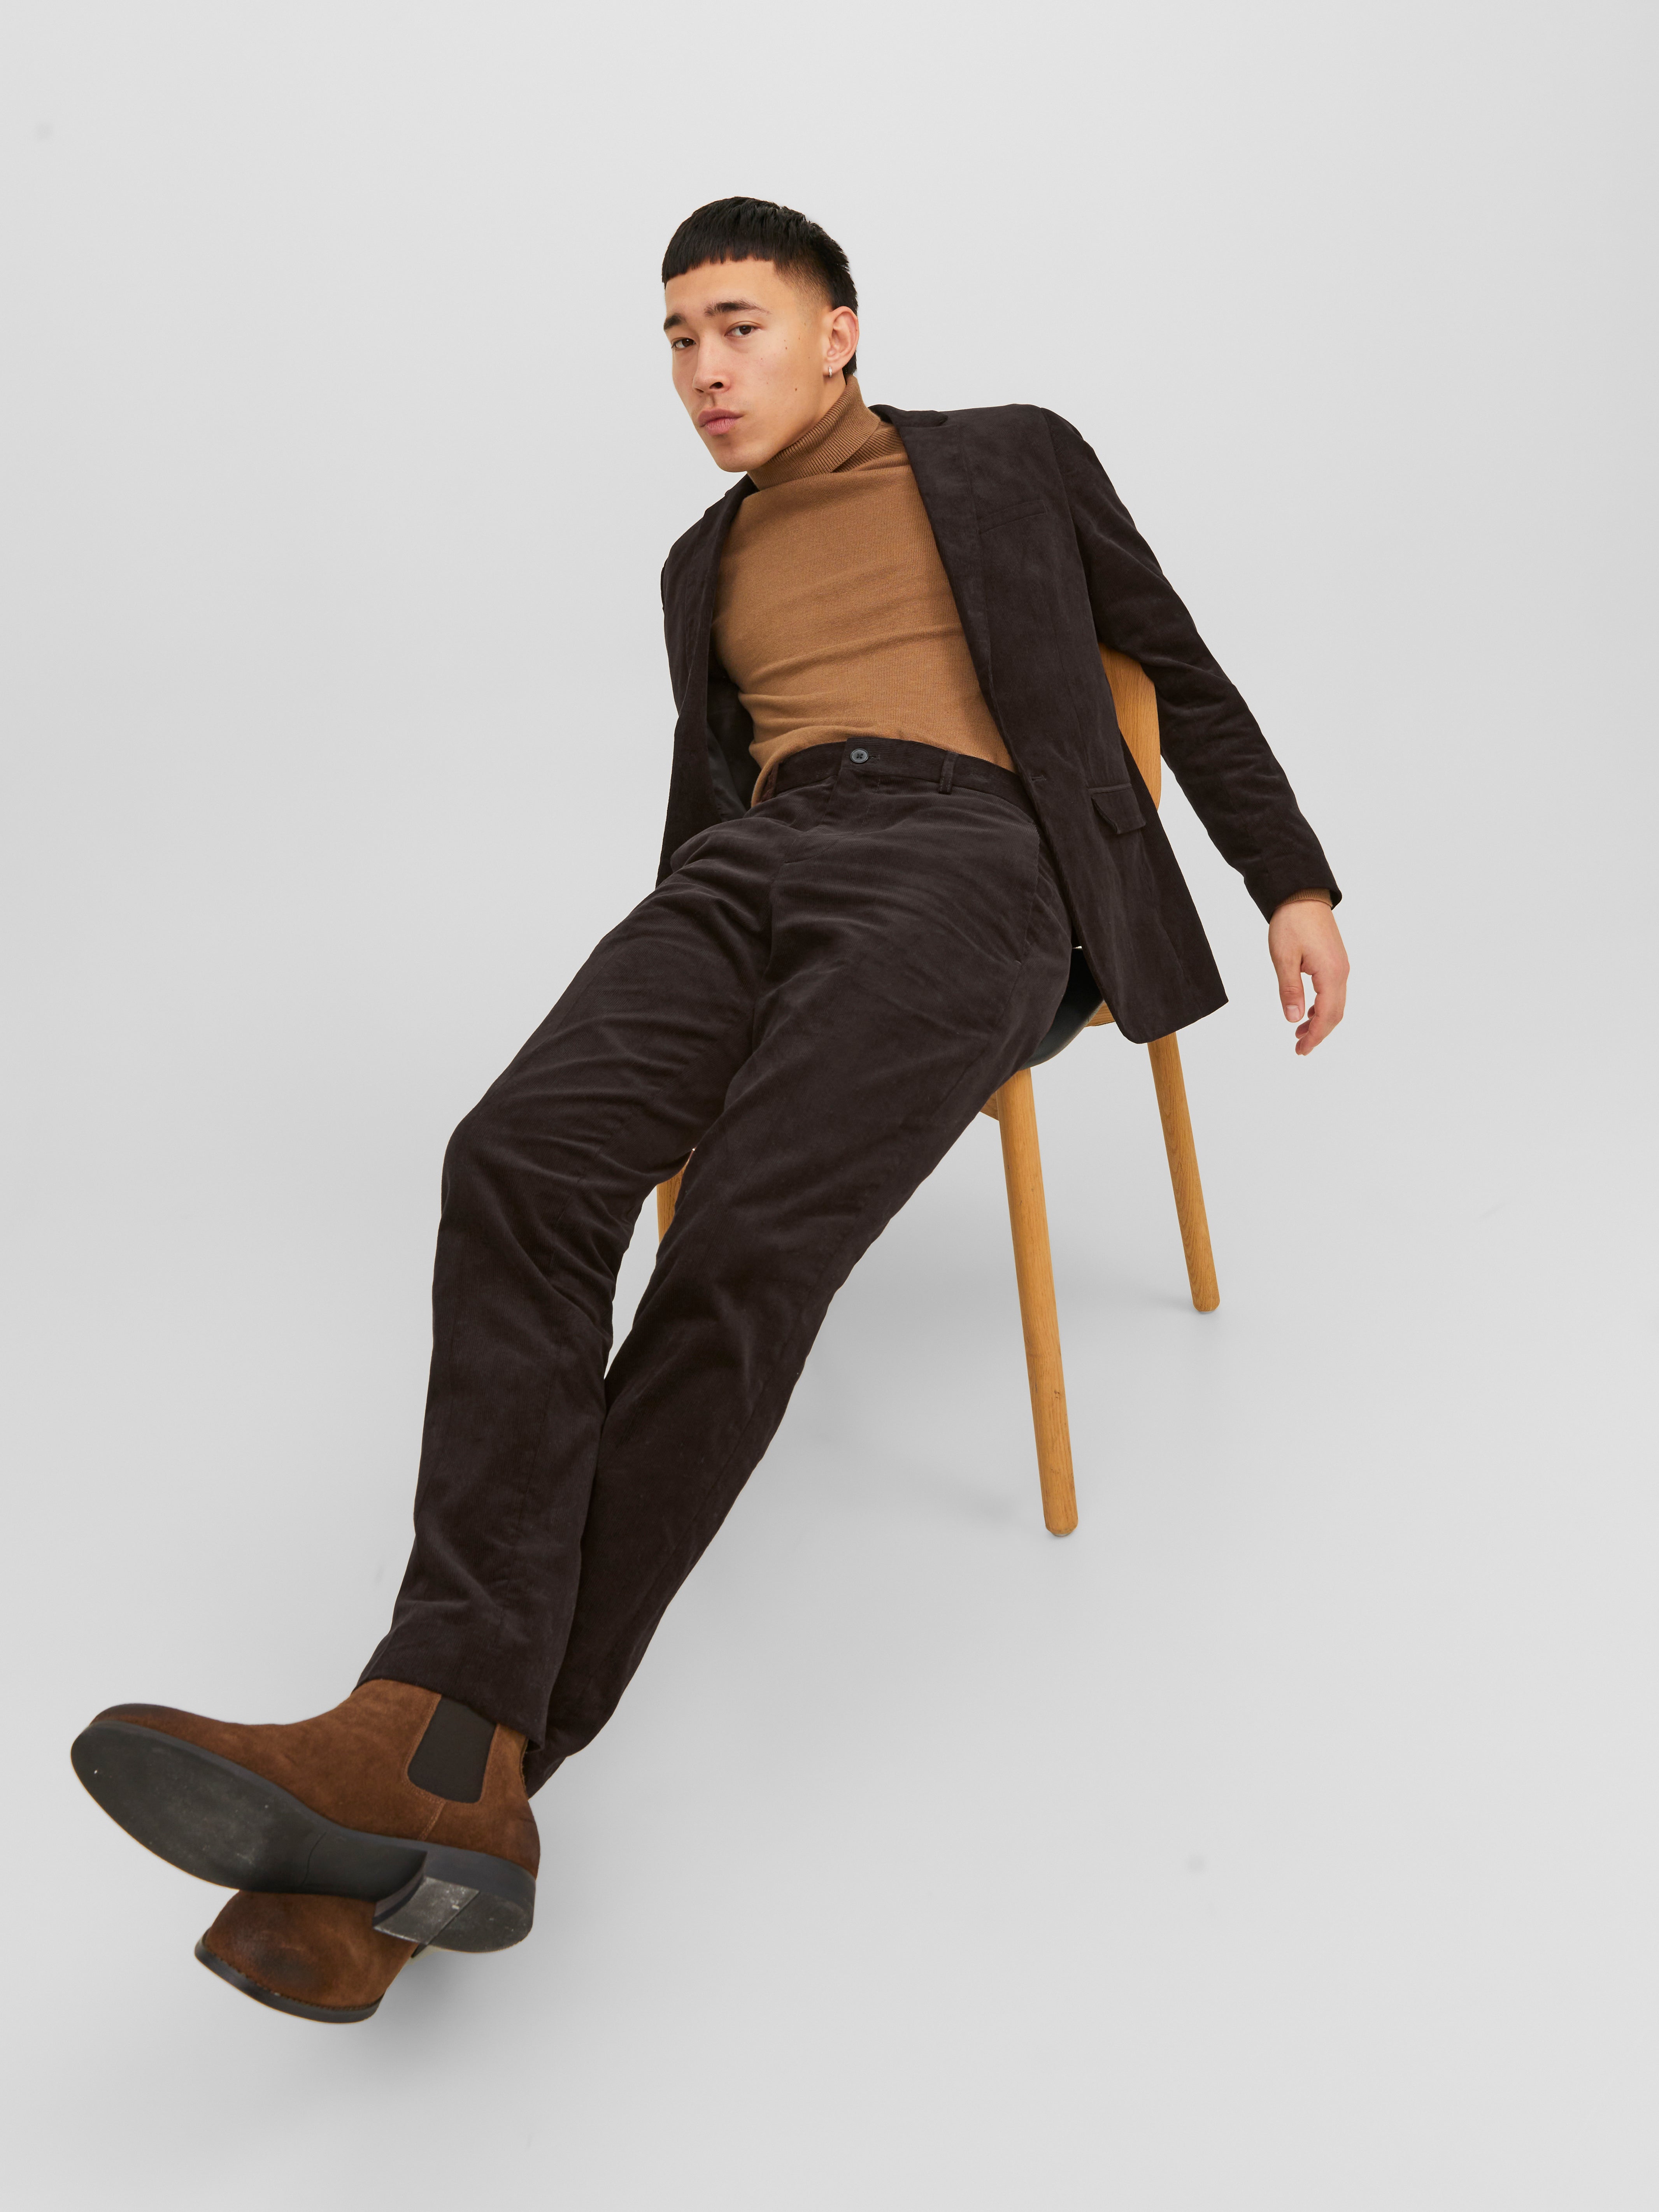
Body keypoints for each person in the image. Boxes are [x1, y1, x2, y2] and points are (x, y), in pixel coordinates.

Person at [71, 197, 1348, 2023]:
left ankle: (440, 1750)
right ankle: (438, 1802)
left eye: (737, 325)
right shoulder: (702, 563)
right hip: (751, 869)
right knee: (516, 1161)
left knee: (745, 1240)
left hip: (977, 859)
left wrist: (1288, 879)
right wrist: (687, 977)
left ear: (839, 331)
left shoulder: (1013, 454)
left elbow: (1181, 671)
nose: (701, 369)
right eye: (676, 338)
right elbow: (706, 804)